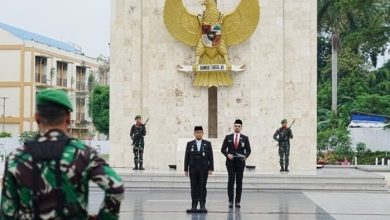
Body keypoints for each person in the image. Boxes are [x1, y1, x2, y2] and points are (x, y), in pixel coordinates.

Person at [0, 89, 124, 219]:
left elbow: (7, 212)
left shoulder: (16, 157)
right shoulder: (82, 154)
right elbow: (116, 187)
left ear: (37, 118)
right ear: (69, 118)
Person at [221, 119, 251, 208]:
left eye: (239, 126)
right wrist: (227, 154)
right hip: (230, 163)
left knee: (239, 182)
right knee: (231, 181)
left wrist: (245, 156)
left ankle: (237, 201)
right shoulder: (228, 137)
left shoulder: (245, 138)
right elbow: (223, 149)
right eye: (236, 126)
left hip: (240, 163)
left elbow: (249, 150)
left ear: (241, 127)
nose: (237, 127)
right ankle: (230, 201)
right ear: (233, 126)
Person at [184, 126, 214, 211]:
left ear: (203, 133)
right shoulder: (190, 144)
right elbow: (187, 157)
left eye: (200, 132)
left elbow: (210, 156)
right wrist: (186, 169)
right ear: (194, 134)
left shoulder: (207, 143)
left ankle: (202, 205)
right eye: (197, 132)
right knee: (193, 187)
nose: (198, 134)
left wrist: (211, 168)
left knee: (202, 186)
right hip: (193, 169)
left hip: (203, 168)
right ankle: (194, 205)